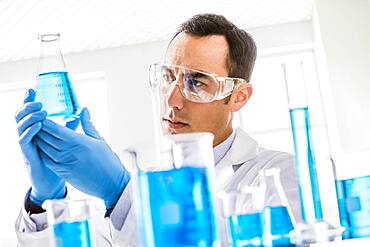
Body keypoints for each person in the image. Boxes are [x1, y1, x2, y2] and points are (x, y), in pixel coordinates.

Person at [15, 14, 301, 246]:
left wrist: (120, 194)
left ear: (238, 96)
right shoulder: (150, 184)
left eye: (197, 82)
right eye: (168, 77)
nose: (171, 100)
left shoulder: (278, 174)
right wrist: (44, 201)